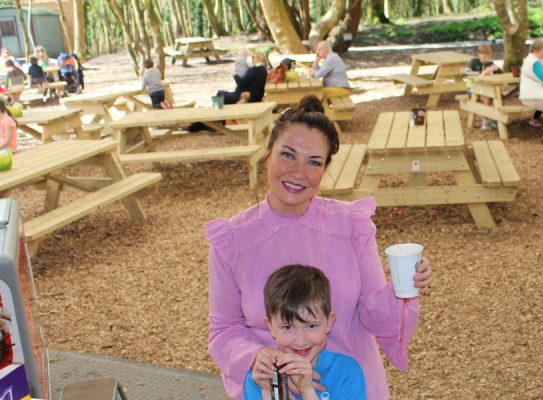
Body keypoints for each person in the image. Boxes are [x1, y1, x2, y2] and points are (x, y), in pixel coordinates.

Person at [204, 95, 432, 400]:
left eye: (313, 162)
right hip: (276, 390)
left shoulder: (350, 225)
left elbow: (373, 312)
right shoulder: (232, 240)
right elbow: (224, 329)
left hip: (352, 389)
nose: (298, 172)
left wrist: (404, 287)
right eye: (288, 155)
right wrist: (254, 356)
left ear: (324, 170)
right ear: (268, 155)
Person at [242, 265, 366, 400]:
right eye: (287, 327)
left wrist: (307, 391)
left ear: (329, 322)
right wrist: (271, 392)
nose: (301, 341)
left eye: (311, 326)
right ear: (270, 327)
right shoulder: (259, 379)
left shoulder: (347, 372)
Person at [465, 44, 502, 131]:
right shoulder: (473, 62)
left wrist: (496, 69)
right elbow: (467, 73)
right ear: (479, 54)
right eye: (484, 57)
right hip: (472, 89)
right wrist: (481, 73)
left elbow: (501, 73)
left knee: (498, 98)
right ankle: (486, 122)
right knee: (487, 99)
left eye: (488, 57)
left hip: (485, 89)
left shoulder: (490, 63)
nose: (486, 59)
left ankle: (494, 120)